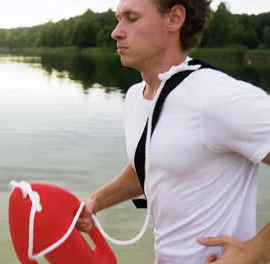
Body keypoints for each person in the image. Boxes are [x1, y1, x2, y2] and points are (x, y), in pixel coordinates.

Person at [75, 0, 270, 263]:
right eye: (118, 18)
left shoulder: (217, 97)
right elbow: (152, 164)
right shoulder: (136, 97)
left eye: (131, 18)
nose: (116, 31)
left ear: (174, 18)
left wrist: (254, 252)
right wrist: (96, 202)